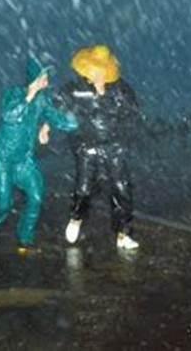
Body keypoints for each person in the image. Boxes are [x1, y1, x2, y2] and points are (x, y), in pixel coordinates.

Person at [0, 56, 78, 255]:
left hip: (24, 161)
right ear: (34, 78)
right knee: (3, 202)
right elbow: (11, 116)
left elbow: (58, 119)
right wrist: (30, 93)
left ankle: (24, 239)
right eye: (43, 76)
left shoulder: (42, 100)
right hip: (3, 160)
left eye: (46, 77)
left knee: (36, 197)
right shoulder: (14, 94)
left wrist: (76, 120)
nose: (47, 81)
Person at [56, 45, 141, 250]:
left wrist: (123, 138)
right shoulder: (74, 89)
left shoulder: (121, 90)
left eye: (102, 70)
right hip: (86, 146)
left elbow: (133, 115)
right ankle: (76, 218)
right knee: (84, 188)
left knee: (122, 189)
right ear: (87, 69)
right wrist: (48, 126)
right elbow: (57, 107)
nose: (98, 74)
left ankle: (123, 234)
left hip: (114, 147)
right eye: (94, 69)